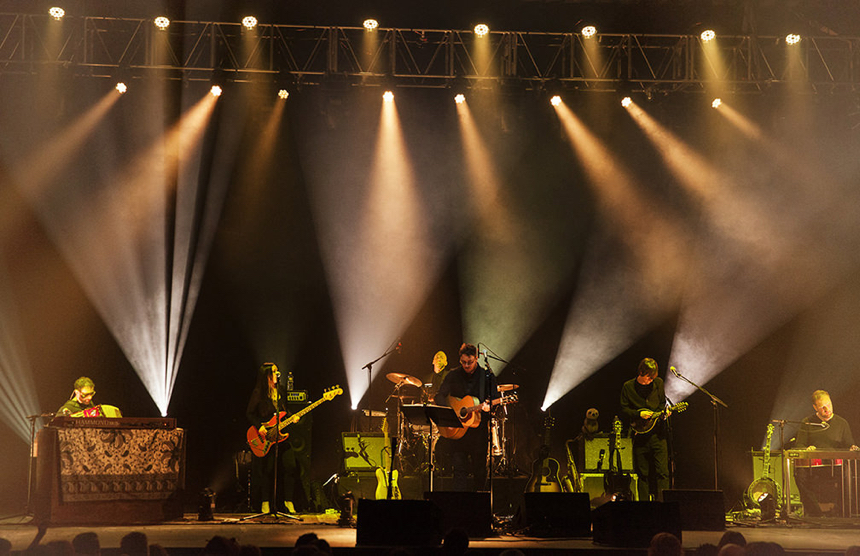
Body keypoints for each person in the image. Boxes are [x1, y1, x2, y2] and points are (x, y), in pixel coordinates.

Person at [434, 343, 500, 491]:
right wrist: (449, 416)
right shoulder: (453, 375)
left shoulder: (486, 376)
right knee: (459, 471)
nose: (466, 365)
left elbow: (495, 398)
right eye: (463, 362)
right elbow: (439, 396)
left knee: (479, 471)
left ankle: (479, 505)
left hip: (479, 433)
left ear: (476, 358)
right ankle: (459, 506)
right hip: (457, 433)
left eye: (470, 362)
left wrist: (490, 406)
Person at [246, 362, 302, 514]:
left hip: (282, 436)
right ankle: (265, 502)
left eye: (278, 371)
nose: (278, 374)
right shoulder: (259, 393)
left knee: (290, 466)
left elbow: (284, 410)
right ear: (267, 376)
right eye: (275, 372)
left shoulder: (281, 390)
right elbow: (249, 413)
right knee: (268, 470)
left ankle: (288, 501)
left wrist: (292, 417)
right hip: (267, 436)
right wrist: (260, 427)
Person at [793, 389, 859, 517]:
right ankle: (815, 513)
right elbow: (799, 445)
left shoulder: (842, 423)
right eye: (822, 407)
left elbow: (848, 445)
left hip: (835, 466)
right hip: (813, 466)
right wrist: (807, 449)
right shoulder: (807, 422)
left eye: (829, 405)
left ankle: (843, 512)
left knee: (847, 474)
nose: (827, 409)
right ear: (815, 407)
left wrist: (852, 447)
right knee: (799, 475)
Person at [620, 357, 670, 501]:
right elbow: (623, 409)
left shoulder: (658, 383)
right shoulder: (628, 387)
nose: (650, 381)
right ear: (641, 372)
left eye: (652, 378)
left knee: (663, 472)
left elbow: (661, 404)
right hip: (640, 436)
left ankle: (663, 505)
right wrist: (638, 414)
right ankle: (644, 507)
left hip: (658, 435)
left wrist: (664, 414)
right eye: (648, 377)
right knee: (643, 474)